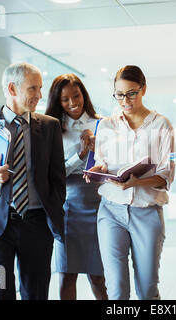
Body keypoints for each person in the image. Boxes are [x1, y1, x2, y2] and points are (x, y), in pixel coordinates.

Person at [0, 62, 66, 300]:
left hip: (37, 227)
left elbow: (57, 178)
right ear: (12, 88)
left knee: (36, 294)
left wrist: (54, 208)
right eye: (33, 89)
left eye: (40, 88)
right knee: (0, 292)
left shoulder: (49, 126)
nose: (40, 95)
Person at [85, 65, 175, 300]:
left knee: (147, 290)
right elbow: (103, 163)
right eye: (119, 94)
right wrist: (97, 170)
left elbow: (166, 175)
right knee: (116, 290)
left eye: (131, 93)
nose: (125, 100)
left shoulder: (161, 125)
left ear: (143, 89)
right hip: (110, 212)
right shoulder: (106, 125)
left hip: (147, 212)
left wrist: (136, 182)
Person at [45, 73, 108, 300]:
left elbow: (112, 165)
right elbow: (53, 174)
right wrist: (80, 154)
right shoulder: (51, 129)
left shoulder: (102, 123)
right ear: (57, 101)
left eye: (76, 95)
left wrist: (97, 154)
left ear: (84, 94)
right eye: (65, 99)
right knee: (67, 274)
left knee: (98, 276)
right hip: (68, 208)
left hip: (100, 206)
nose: (73, 103)